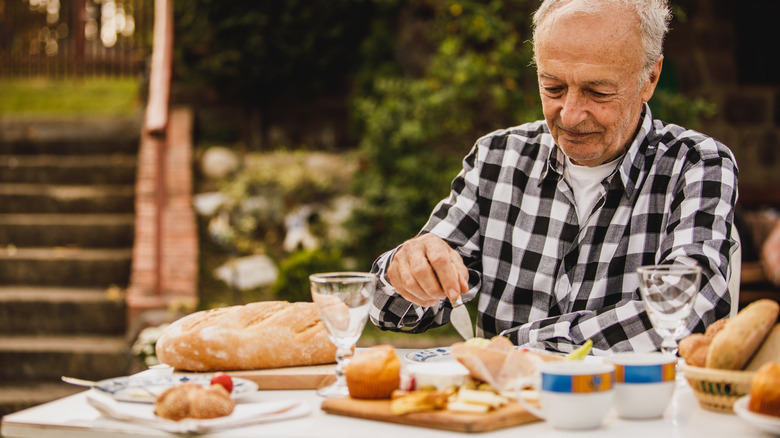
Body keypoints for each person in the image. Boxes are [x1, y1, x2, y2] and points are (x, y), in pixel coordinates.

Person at [368, 0, 738, 355]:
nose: (571, 114)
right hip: (506, 413)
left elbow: (685, 311)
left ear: (649, 79)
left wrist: (513, 347)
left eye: (598, 91)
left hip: (632, 414)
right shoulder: (498, 158)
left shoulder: (697, 165)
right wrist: (406, 270)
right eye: (553, 88)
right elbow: (392, 311)